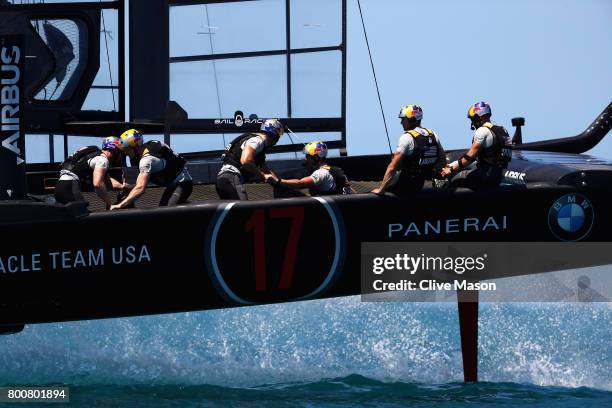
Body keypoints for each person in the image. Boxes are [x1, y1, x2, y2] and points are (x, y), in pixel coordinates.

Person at [372, 104, 446, 195]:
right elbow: (442, 160)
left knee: (367, 190)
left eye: (403, 119)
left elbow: (392, 168)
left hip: (404, 188)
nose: (401, 122)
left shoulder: (406, 138)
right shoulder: (432, 134)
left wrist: (381, 190)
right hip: (423, 185)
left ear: (411, 120)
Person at [110, 129, 193, 209]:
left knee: (165, 212)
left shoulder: (146, 160)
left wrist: (120, 205)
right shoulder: (146, 149)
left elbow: (140, 188)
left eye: (126, 149)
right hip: (173, 182)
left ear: (136, 147)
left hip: (182, 184)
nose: (125, 153)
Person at [441, 101, 512, 189]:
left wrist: (451, 169)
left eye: (473, 119)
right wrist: (452, 165)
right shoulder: (502, 130)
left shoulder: (482, 131)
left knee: (454, 180)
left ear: (478, 117)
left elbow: (469, 158)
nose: (472, 123)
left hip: (486, 176)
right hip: (499, 175)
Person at [215, 119, 284, 200]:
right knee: (244, 209)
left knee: (235, 212)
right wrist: (263, 176)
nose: (278, 137)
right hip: (231, 178)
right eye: (278, 133)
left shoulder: (259, 147)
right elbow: (246, 161)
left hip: (224, 179)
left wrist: (279, 183)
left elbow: (266, 171)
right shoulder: (257, 140)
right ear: (273, 132)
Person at [55, 136, 127, 208]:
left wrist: (123, 186)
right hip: (70, 188)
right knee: (83, 214)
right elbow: (97, 184)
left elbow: (108, 182)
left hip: (60, 187)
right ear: (115, 150)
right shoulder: (102, 160)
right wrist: (110, 204)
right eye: (120, 152)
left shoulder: (95, 156)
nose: (121, 156)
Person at [265, 141, 354, 196]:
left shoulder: (321, 173)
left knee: (292, 193)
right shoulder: (334, 171)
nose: (306, 160)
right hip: (341, 208)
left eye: (308, 157)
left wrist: (278, 181)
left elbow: (300, 184)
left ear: (316, 158)